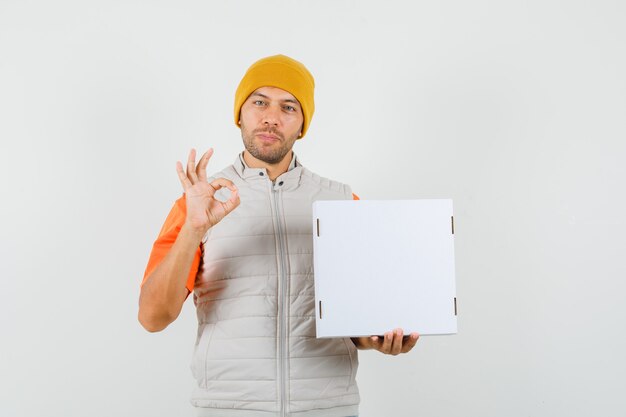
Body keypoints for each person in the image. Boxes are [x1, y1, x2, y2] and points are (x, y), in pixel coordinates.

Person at [139, 54, 419, 417]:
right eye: (259, 102)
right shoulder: (199, 203)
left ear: (302, 125)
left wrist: (378, 340)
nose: (271, 117)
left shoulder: (341, 201)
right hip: (230, 407)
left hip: (327, 406)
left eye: (289, 107)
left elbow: (357, 324)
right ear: (239, 113)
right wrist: (194, 229)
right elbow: (153, 317)